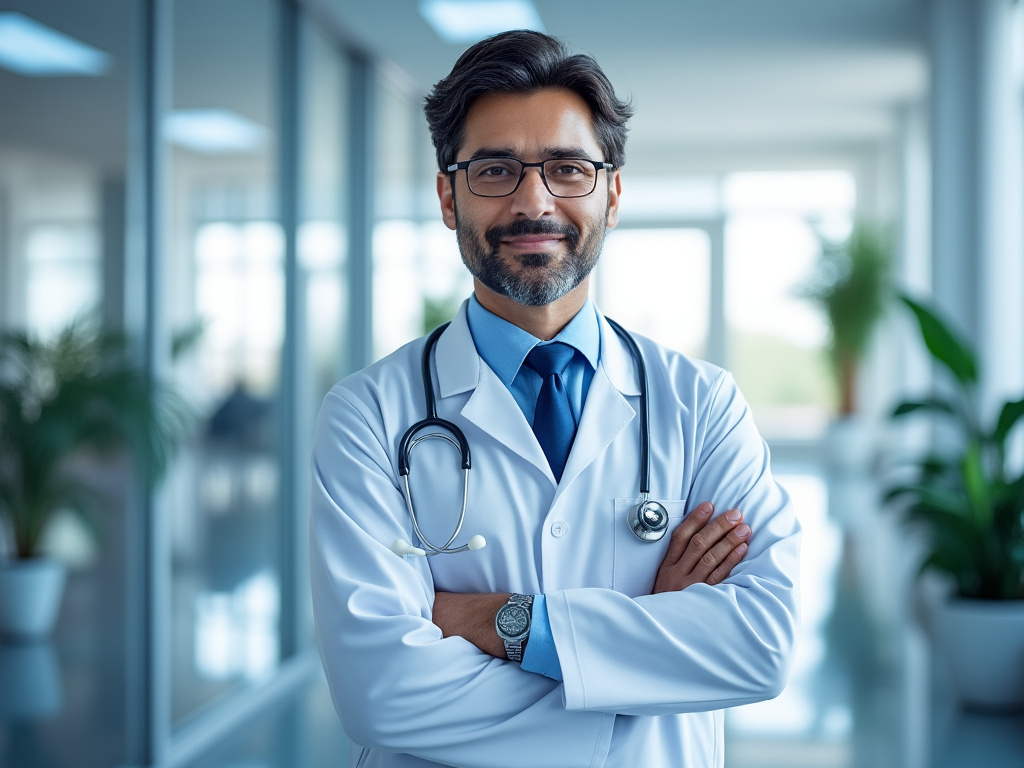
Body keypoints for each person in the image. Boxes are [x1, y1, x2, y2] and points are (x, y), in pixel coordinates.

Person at [310, 29, 801, 768]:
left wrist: (499, 622)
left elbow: (760, 646)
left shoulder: (701, 404)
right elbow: (380, 692)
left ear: (613, 192)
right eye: (496, 169)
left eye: (569, 168)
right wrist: (648, 653)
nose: (533, 202)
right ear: (449, 196)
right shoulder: (368, 416)